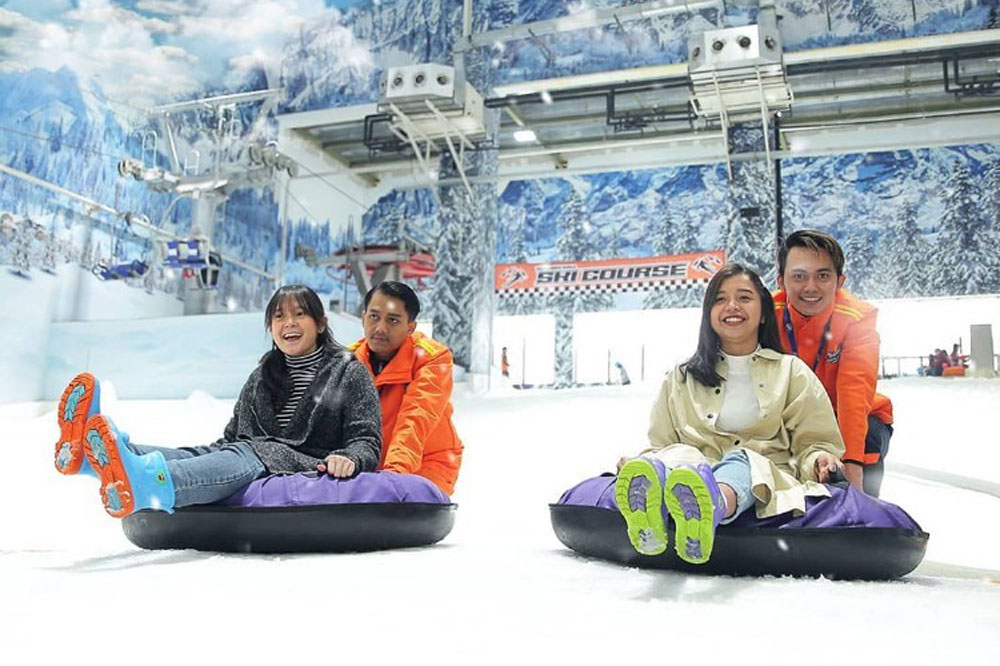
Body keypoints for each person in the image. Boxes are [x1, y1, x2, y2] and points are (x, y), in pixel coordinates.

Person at [53, 284, 383, 518]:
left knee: (245, 453)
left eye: (300, 314)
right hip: (251, 452)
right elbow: (234, 436)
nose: (289, 324)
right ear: (271, 327)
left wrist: (350, 458)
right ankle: (93, 455)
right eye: (279, 317)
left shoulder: (348, 371)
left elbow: (366, 440)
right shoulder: (263, 374)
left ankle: (151, 484)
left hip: (303, 460)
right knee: (208, 452)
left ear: (321, 324)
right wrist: (212, 455)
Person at [615, 264, 845, 565]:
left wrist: (820, 460)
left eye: (744, 297)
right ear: (709, 314)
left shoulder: (791, 372)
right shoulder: (681, 377)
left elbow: (814, 442)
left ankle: (710, 505)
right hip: (690, 471)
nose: (732, 306)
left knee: (745, 460)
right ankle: (652, 507)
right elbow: (662, 443)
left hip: (760, 476)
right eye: (720, 299)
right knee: (681, 455)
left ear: (763, 313)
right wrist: (644, 462)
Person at [774, 230, 894, 497]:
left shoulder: (857, 318)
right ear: (781, 281)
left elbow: (854, 390)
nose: (811, 287)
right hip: (787, 419)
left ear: (840, 281)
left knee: (867, 440)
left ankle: (865, 509)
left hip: (846, 418)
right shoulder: (765, 315)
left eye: (823, 276)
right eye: (799, 276)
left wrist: (852, 464)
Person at [348, 281, 463, 496]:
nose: (380, 328)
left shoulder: (432, 358)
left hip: (427, 463)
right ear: (363, 317)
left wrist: (394, 475)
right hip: (367, 466)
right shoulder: (347, 361)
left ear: (411, 327)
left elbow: (416, 418)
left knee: (404, 507)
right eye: (374, 316)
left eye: (392, 320)